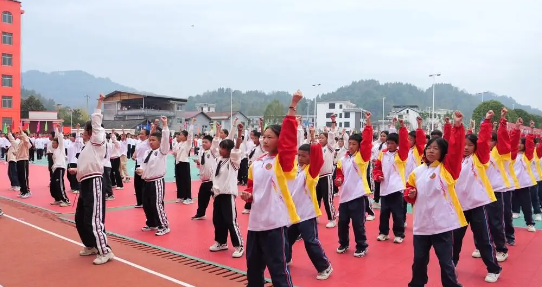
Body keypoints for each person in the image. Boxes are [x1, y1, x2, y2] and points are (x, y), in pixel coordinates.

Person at [240, 90, 301, 287]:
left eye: (270, 137)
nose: (265, 140)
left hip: (275, 224)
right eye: (264, 137)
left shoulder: (283, 162)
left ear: (279, 140)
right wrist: (247, 195)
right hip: (255, 224)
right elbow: (252, 188)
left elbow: (290, 141)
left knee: (278, 270)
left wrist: (292, 105)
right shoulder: (256, 162)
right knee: (253, 269)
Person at [404, 110, 466, 287]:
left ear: (442, 152)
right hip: (422, 225)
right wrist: (410, 194)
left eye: (436, 148)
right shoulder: (417, 171)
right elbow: (408, 191)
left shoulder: (447, 170)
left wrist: (457, 127)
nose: (431, 150)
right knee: (419, 262)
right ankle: (417, 284)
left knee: (446, 262)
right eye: (429, 147)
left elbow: (456, 149)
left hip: (442, 225)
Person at [450, 110, 501, 283]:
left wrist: (486, 121)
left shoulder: (479, 158)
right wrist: (457, 126)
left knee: (483, 239)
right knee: (455, 239)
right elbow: (454, 145)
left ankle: (494, 269)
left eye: (469, 145)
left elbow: (483, 140)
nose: (465, 147)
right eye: (464, 144)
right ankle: (451, 265)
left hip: (477, 205)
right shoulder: (456, 160)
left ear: (475, 148)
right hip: (459, 206)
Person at [68, 94, 114, 265]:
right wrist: (76, 170)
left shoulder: (98, 141)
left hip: (94, 182)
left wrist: (99, 104)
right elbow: (87, 163)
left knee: (94, 219)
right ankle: (91, 245)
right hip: (85, 183)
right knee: (80, 217)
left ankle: (105, 251)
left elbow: (96, 123)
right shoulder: (88, 146)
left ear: (91, 132)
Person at [286, 125, 333, 280]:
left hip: (306, 213)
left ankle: (325, 266)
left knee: (310, 241)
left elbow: (318, 158)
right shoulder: (295, 168)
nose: (300, 158)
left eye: (304, 156)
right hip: (293, 212)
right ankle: (286, 258)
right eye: (298, 155)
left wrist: (313, 139)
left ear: (310, 158)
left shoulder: (311, 172)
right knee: (286, 238)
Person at [334, 111, 373, 257]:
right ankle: (343, 243)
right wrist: (338, 180)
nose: (350, 146)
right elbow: (339, 174)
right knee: (342, 223)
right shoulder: (342, 159)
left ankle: (362, 245)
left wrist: (368, 124)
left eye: (354, 144)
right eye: (349, 143)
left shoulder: (362, 158)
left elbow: (367, 142)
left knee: (358, 224)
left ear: (359, 146)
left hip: (357, 195)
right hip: (344, 196)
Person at [209, 123, 245, 258]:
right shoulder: (218, 159)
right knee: (217, 220)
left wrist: (239, 133)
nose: (220, 150)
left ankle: (239, 245)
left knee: (230, 220)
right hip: (217, 195)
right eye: (220, 148)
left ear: (229, 151)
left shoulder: (233, 162)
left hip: (227, 195)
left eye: (223, 149)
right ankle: (221, 242)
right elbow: (216, 143)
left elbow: (236, 148)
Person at [482, 107, 513, 261]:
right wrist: (486, 121)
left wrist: (502, 120)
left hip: (495, 191)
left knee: (495, 222)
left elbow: (503, 138)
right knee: (481, 222)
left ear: (496, 142)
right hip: (481, 192)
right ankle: (482, 246)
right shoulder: (480, 154)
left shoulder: (500, 153)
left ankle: (501, 249)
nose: (489, 142)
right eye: (487, 140)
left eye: (492, 140)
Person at [372, 118, 409, 244]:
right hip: (384, 188)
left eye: (392, 143)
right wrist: (378, 176)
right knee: (384, 213)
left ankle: (399, 234)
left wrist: (402, 127)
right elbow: (377, 168)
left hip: (396, 188)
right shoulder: (382, 154)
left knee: (398, 213)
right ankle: (383, 233)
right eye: (388, 143)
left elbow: (404, 142)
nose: (389, 145)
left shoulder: (402, 155)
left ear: (397, 144)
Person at [136, 116, 171, 236]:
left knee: (157, 204)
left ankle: (164, 225)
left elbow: (166, 139)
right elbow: (143, 165)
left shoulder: (162, 151)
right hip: (146, 181)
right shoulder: (147, 152)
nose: (150, 142)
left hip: (157, 182)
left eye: (153, 140)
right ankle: (152, 223)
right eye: (150, 140)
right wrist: (140, 170)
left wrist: (165, 125)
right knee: (146, 203)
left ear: (159, 142)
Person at [511, 119, 537, 232]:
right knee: (508, 206)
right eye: (518, 143)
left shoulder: (527, 156)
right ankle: (507, 225)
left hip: (523, 184)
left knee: (526, 205)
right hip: (511, 184)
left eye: (522, 143)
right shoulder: (511, 155)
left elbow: (530, 144)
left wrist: (531, 130)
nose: (519, 145)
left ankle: (530, 223)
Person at [316, 115, 337, 228]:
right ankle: (315, 216)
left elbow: (332, 135)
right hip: (316, 177)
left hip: (327, 176)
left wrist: (333, 122)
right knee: (316, 198)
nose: (320, 139)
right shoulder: (317, 148)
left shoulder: (329, 148)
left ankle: (332, 219)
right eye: (319, 138)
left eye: (322, 138)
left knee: (327, 199)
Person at [192, 134, 219, 220]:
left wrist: (217, 131)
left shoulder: (213, 151)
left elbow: (216, 142)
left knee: (217, 199)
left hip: (212, 181)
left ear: (211, 144)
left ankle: (220, 215)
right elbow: (201, 165)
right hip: (204, 180)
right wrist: (198, 163)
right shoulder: (201, 152)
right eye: (203, 142)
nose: (203, 144)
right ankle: (201, 214)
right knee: (201, 198)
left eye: (206, 142)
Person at [242, 121, 265, 215]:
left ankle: (253, 205)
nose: (253, 139)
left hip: (259, 169)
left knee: (257, 187)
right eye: (252, 137)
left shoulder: (262, 147)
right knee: (250, 187)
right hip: (251, 169)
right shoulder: (253, 147)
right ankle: (248, 205)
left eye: (255, 138)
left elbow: (263, 137)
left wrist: (262, 126)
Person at [173, 118, 195, 204]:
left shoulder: (188, 143)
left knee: (186, 181)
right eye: (179, 135)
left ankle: (188, 197)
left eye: (182, 135)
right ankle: (181, 196)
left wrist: (192, 124)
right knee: (179, 180)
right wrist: (175, 154)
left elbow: (190, 135)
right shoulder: (179, 143)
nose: (180, 136)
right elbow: (176, 152)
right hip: (178, 163)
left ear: (186, 137)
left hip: (184, 163)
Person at [7, 126, 31, 198]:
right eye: (18, 134)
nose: (18, 135)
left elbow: (26, 140)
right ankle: (22, 191)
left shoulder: (26, 143)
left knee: (24, 177)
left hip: (24, 160)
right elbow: (12, 141)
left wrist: (22, 132)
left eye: (20, 134)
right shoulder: (19, 143)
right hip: (18, 160)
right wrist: (9, 132)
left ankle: (27, 191)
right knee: (20, 177)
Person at [50, 125, 70, 207]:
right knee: (53, 184)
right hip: (55, 169)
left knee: (60, 184)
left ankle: (65, 200)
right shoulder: (54, 151)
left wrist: (59, 129)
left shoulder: (61, 148)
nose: (53, 144)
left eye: (54, 143)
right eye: (52, 143)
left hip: (60, 168)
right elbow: (56, 137)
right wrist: (56, 130)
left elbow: (60, 138)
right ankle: (57, 199)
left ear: (58, 144)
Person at [133, 128, 151, 208]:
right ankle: (139, 202)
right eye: (140, 134)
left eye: (142, 134)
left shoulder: (147, 142)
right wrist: (134, 155)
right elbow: (136, 151)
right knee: (137, 184)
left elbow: (152, 133)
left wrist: (154, 126)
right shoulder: (138, 142)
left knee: (144, 184)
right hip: (138, 164)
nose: (140, 135)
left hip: (144, 165)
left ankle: (145, 202)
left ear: (147, 136)